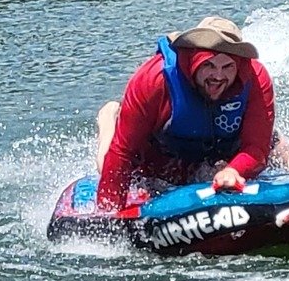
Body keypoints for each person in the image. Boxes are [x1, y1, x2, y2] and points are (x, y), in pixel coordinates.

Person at [95, 16, 276, 210]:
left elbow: (257, 147)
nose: (218, 76)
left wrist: (233, 171)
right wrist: (109, 216)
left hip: (221, 146)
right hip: (160, 150)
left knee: (274, 145)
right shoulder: (153, 80)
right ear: (194, 61)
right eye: (209, 65)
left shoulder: (255, 79)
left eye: (227, 67)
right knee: (107, 159)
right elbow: (123, 152)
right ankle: (109, 119)